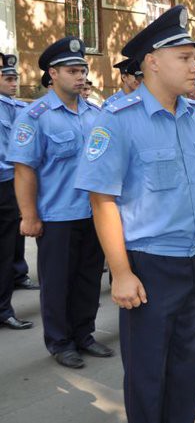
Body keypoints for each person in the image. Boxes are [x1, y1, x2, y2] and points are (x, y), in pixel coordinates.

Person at [74, 5, 195, 423]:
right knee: (147, 374)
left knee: (185, 369)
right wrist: (121, 272)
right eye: (186, 58)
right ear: (153, 62)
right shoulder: (117, 121)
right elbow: (102, 200)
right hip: (149, 266)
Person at [7, 37, 111, 367]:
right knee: (57, 283)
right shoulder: (35, 117)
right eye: (72, 70)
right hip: (56, 215)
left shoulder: (95, 114)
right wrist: (29, 216)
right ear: (52, 73)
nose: (80, 76)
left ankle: (83, 334)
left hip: (94, 214)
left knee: (88, 279)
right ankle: (60, 341)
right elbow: (24, 171)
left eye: (83, 70)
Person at [0, 53, 34, 330]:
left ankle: (3, 308)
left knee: (7, 248)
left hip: (6, 184)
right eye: (8, 79)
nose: (14, 84)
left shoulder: (14, 107)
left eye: (15, 79)